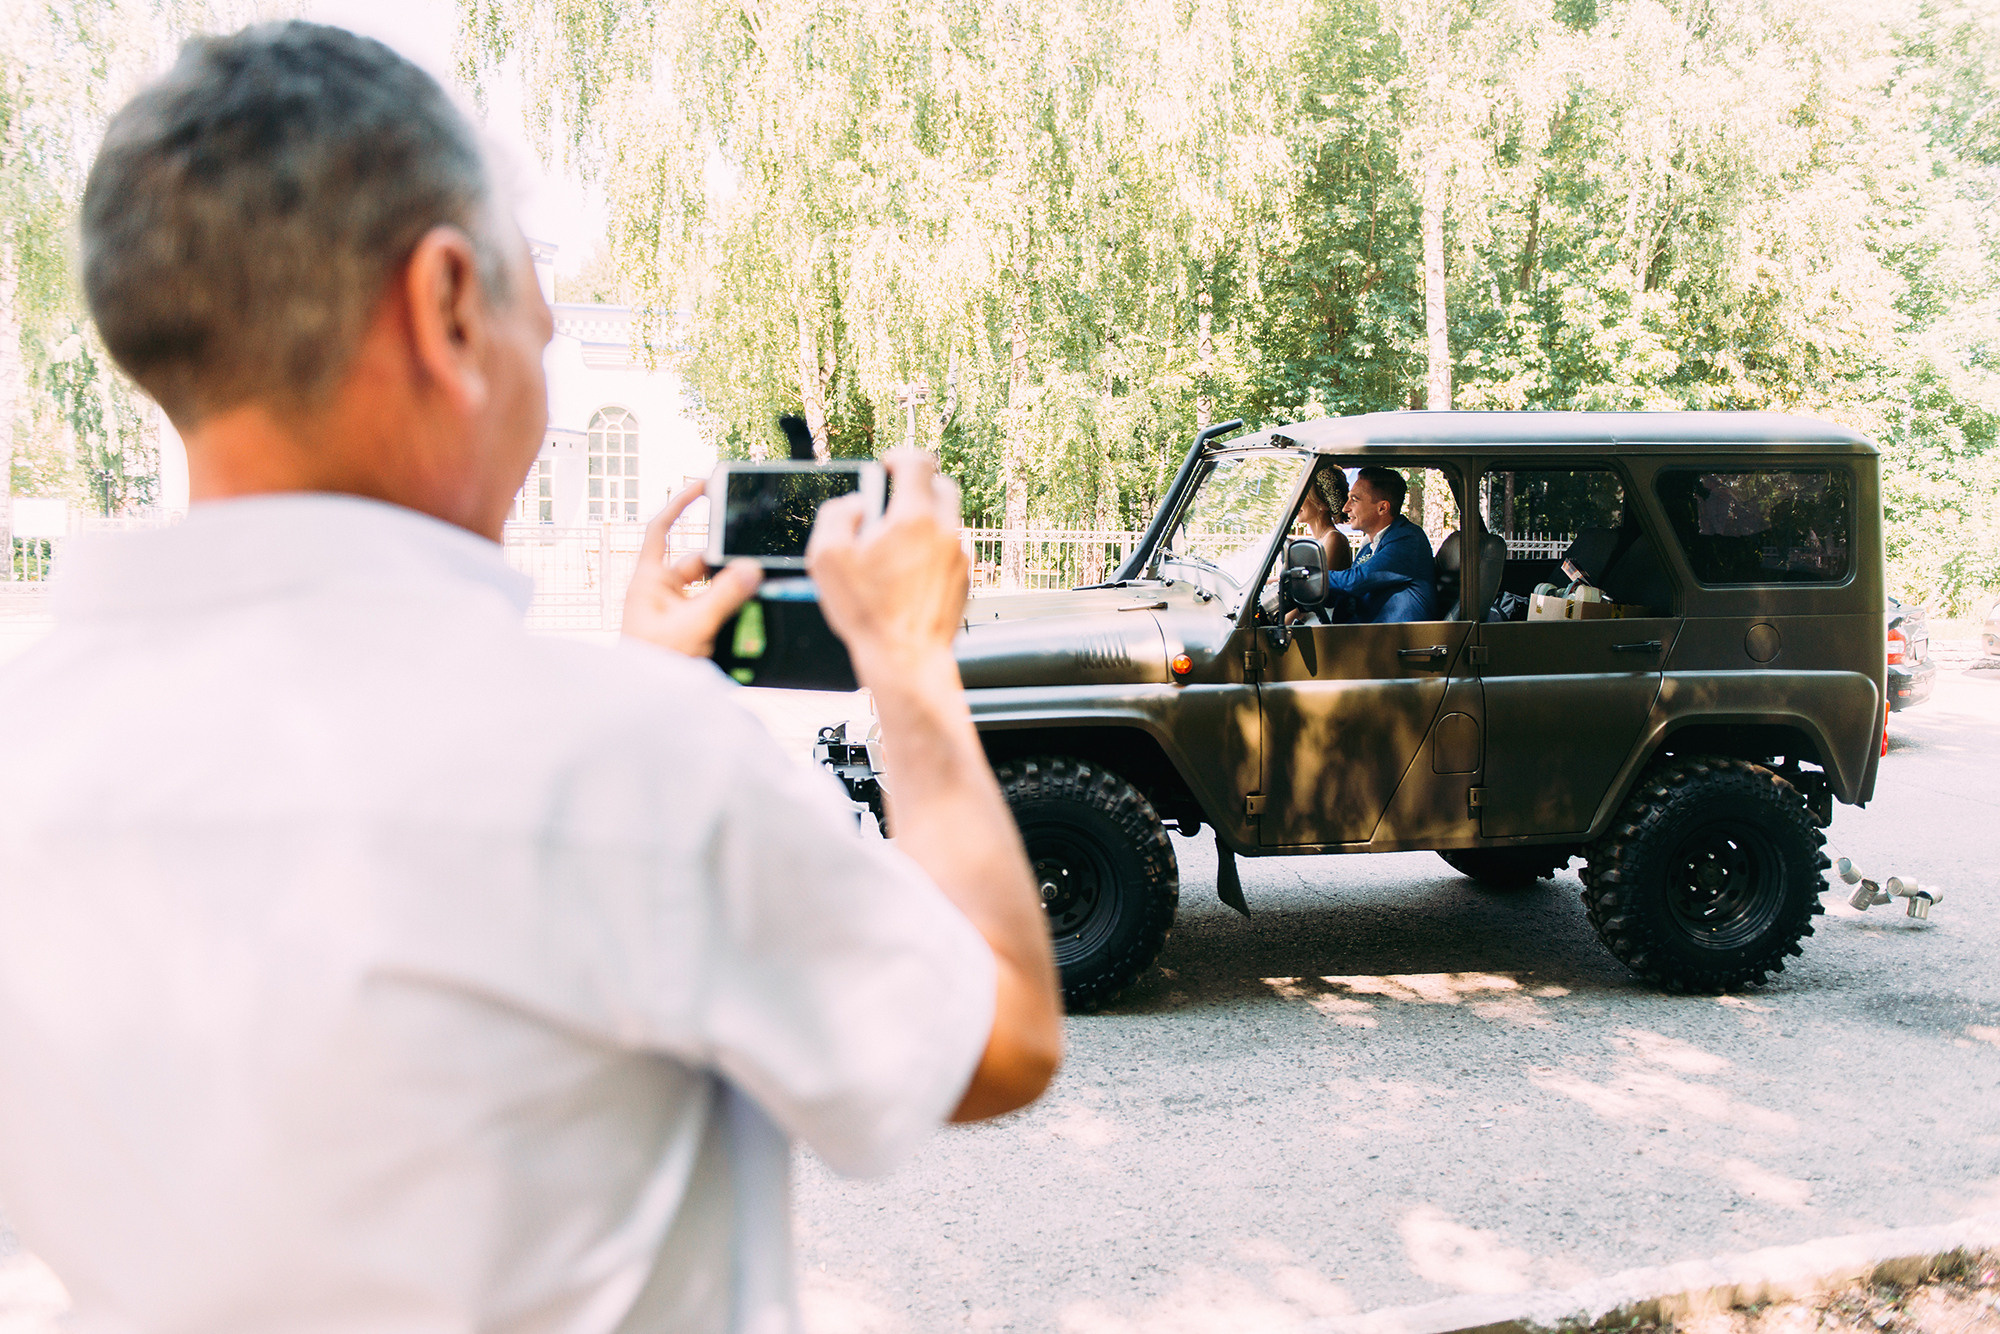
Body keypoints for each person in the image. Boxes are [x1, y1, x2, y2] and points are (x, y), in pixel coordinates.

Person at [0, 23, 1061, 1334]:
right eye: (535, 312)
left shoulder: (27, 747)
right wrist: (907, 664)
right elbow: (1002, 1031)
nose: (545, 362)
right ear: (449, 302)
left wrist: (630, 689)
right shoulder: (634, 768)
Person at [1317, 465, 1437, 623]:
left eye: (1354, 500)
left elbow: (1354, 581)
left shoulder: (1408, 539)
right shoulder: (1370, 546)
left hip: (1394, 637)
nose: (1345, 508)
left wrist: (1311, 578)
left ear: (1382, 508)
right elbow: (1346, 595)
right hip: (1362, 632)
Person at [1294, 461, 1355, 574]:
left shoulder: (1334, 538)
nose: (1296, 502)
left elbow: (1318, 580)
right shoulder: (1319, 538)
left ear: (1322, 504)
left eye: (1303, 496)